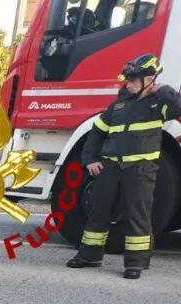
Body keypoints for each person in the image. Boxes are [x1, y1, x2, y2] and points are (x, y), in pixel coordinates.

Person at [67, 53, 181, 279]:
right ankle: (89, 256)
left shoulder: (160, 103)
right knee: (98, 212)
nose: (128, 84)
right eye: (128, 80)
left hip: (140, 169)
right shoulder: (118, 104)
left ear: (148, 80)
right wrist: (90, 160)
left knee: (137, 216)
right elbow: (97, 132)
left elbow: (178, 109)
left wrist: (166, 90)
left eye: (133, 80)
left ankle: (135, 264)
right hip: (110, 167)